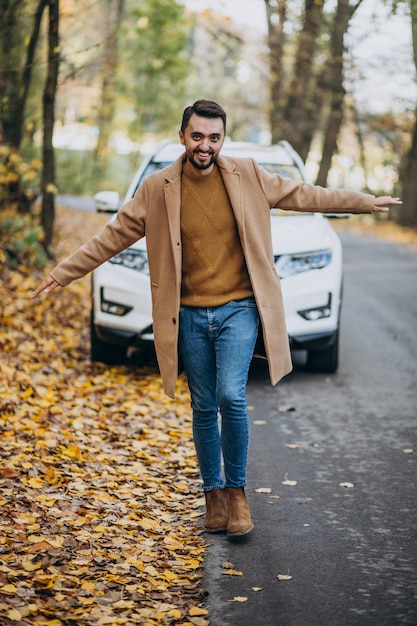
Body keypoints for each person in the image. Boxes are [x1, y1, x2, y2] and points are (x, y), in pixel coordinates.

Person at [32, 100, 402, 537]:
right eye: (197, 136)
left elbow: (303, 194)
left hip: (239, 309)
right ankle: (213, 496)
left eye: (214, 137)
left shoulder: (247, 175)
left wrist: (362, 202)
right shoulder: (157, 188)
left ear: (222, 139)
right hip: (187, 315)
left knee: (231, 395)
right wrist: (63, 272)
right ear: (183, 135)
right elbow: (112, 235)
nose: (205, 145)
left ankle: (237, 494)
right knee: (203, 406)